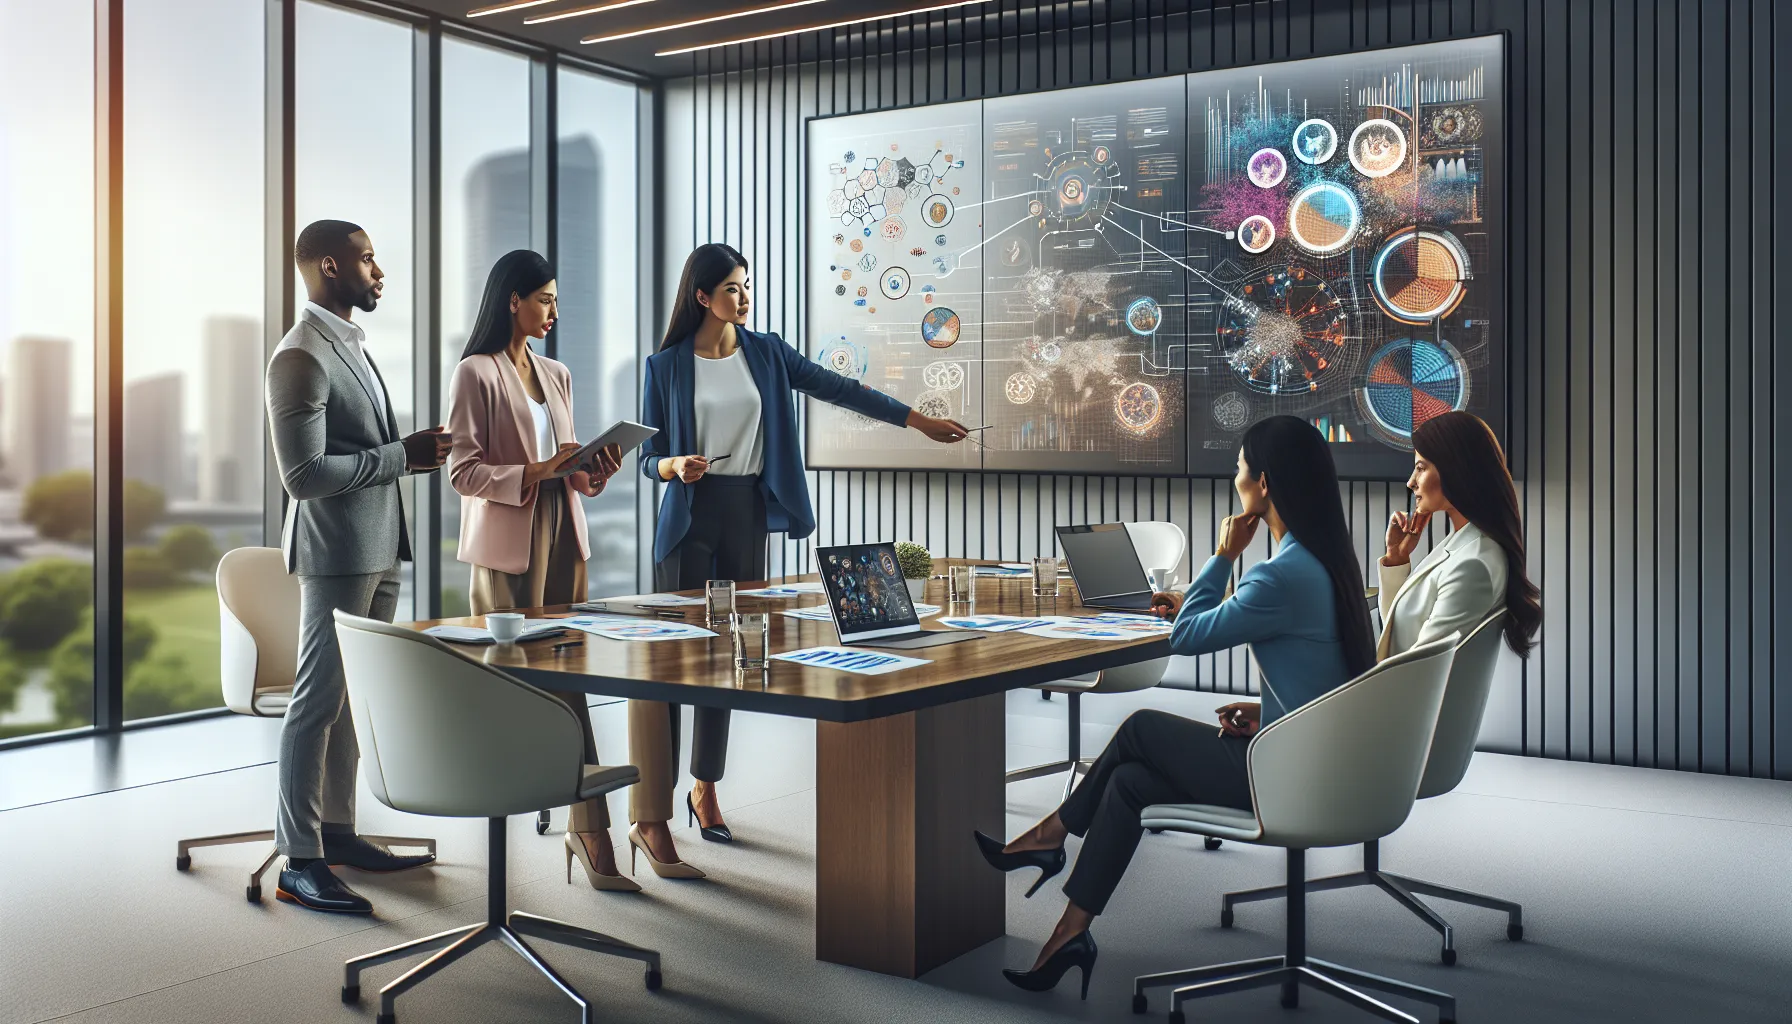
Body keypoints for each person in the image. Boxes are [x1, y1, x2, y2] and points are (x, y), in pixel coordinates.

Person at [973, 416, 1376, 996]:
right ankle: (1069, 933)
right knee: (1129, 783)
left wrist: (1224, 554)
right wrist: (1267, 714)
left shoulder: (1280, 575)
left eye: (1239, 467)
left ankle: (1050, 835)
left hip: (1285, 775)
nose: (1235, 478)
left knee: (1140, 729)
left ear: (1263, 483)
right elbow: (1325, 681)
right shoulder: (1324, 562)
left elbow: (1184, 636)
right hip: (1311, 758)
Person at [633, 242, 968, 865]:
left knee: (729, 658)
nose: (744, 296)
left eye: (746, 284)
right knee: (674, 662)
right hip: (688, 519)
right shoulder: (665, 366)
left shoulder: (766, 352)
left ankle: (705, 787)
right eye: (731, 288)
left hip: (745, 515)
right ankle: (653, 810)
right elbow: (647, 458)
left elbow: (841, 389)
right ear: (702, 296)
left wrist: (918, 421)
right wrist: (672, 465)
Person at [265, 219, 452, 914]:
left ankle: (337, 833)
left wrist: (409, 455)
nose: (379, 271)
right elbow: (303, 476)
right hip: (338, 551)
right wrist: (404, 456)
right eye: (367, 258)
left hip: (379, 547)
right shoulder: (299, 356)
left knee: (350, 701)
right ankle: (299, 859)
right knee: (315, 702)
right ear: (328, 266)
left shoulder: (351, 346)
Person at [445, 249, 643, 891]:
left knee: (571, 680)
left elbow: (573, 472)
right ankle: (564, 827)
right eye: (546, 299)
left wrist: (594, 471)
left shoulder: (557, 373)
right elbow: (462, 472)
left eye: (557, 299)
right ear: (514, 300)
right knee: (513, 686)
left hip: (563, 540)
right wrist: (538, 470)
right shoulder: (475, 372)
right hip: (508, 546)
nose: (555, 310)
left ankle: (587, 828)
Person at [1378, 410, 1541, 660]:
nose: (1411, 482)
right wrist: (1396, 558)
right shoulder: (1464, 545)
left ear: (1455, 469)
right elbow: (1399, 635)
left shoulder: (1472, 564)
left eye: (1421, 468)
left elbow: (1420, 668)